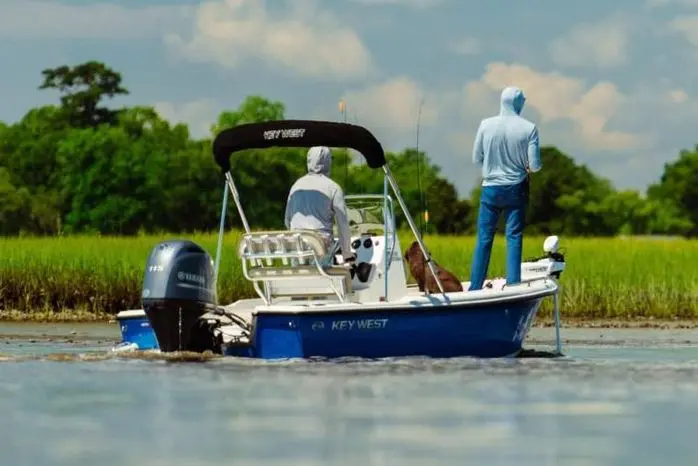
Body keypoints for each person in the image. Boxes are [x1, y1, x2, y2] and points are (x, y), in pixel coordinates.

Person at [468, 86, 541, 291]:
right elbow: (534, 166)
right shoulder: (529, 128)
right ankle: (513, 283)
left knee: (484, 237)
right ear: (518, 103)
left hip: (490, 189)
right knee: (514, 236)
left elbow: (476, 158)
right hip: (516, 188)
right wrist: (523, 165)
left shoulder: (485, 125)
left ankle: (475, 286)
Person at [284, 146, 355, 264]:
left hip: (296, 247)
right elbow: (342, 224)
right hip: (320, 249)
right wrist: (347, 253)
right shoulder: (333, 188)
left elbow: (287, 221)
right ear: (328, 162)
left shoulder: (295, 186)